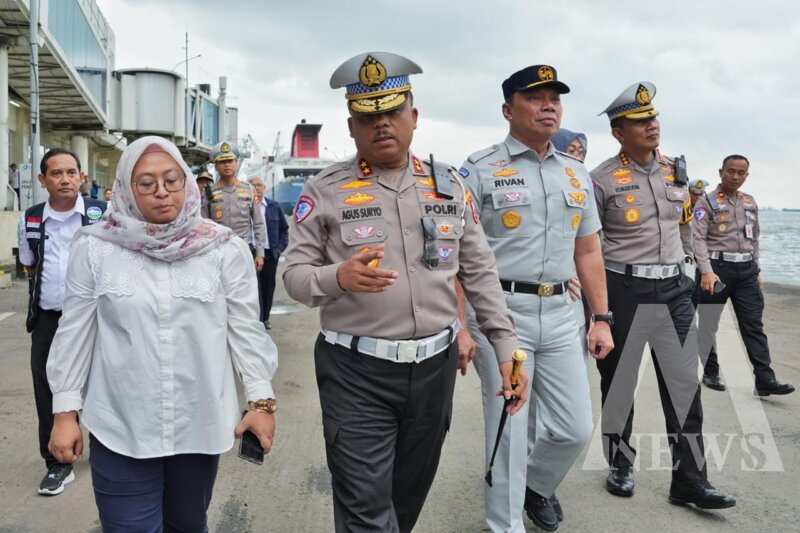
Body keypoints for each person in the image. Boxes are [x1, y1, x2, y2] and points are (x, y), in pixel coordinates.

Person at [283, 51, 528, 533]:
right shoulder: (326, 189)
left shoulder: (449, 187)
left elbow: (479, 271)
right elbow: (293, 277)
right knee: (366, 509)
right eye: (368, 117)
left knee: (404, 498)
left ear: (414, 117)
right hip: (355, 370)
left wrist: (505, 346)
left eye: (392, 111)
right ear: (351, 127)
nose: (382, 125)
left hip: (433, 370)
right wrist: (338, 278)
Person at [46, 136, 278, 530]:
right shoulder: (96, 247)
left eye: (172, 180)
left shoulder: (223, 249)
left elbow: (245, 331)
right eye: (147, 183)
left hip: (198, 421)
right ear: (125, 188)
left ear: (187, 183)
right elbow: (74, 331)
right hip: (121, 423)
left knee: (188, 525)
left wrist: (261, 402)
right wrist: (65, 411)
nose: (162, 193)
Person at [458, 66, 613, 532]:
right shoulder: (479, 170)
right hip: (503, 316)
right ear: (508, 110)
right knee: (511, 427)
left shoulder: (575, 173)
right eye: (535, 97)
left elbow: (587, 250)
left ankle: (535, 486)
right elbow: (458, 256)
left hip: (563, 314)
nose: (549, 105)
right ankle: (505, 525)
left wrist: (600, 317)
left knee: (574, 429)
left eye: (554, 98)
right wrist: (461, 326)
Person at [591, 82, 735, 509]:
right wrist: (595, 310)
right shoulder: (600, 179)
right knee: (619, 382)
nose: (651, 126)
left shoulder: (676, 170)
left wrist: (696, 266)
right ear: (619, 132)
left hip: (674, 289)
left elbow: (686, 223)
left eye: (653, 118)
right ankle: (620, 462)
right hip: (625, 288)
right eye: (639, 121)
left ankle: (689, 480)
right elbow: (589, 246)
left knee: (683, 385)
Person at [17, 148, 107, 495]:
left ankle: (105, 451)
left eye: (72, 172)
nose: (65, 179)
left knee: (100, 383)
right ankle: (57, 463)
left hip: (97, 318)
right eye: (56, 173)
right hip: (48, 320)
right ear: (43, 180)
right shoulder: (32, 218)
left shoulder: (101, 214)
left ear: (82, 177)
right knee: (46, 387)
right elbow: (29, 262)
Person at [694, 155, 795, 396]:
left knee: (753, 325)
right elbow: (697, 239)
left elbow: (755, 237)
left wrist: (756, 267)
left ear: (746, 176)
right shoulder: (706, 202)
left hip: (746, 272)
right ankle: (710, 371)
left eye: (741, 173)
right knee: (708, 324)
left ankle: (764, 379)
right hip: (716, 270)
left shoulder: (749, 202)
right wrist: (706, 271)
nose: (736, 176)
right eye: (731, 171)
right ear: (721, 172)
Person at [208, 142, 267, 272]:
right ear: (216, 166)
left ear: (236, 163)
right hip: (217, 252)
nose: (227, 165)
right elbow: (204, 225)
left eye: (230, 161)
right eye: (222, 162)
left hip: (243, 251)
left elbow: (258, 223)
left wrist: (260, 254)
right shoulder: (208, 192)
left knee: (245, 290)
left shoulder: (249, 190)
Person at [249, 176, 289, 329]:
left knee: (268, 286)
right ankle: (256, 319)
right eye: (253, 185)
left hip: (270, 253)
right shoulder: (245, 205)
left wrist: (278, 250)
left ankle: (265, 317)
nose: (256, 188)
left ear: (264, 187)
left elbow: (284, 230)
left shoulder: (274, 206)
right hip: (251, 252)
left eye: (259, 185)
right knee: (253, 287)